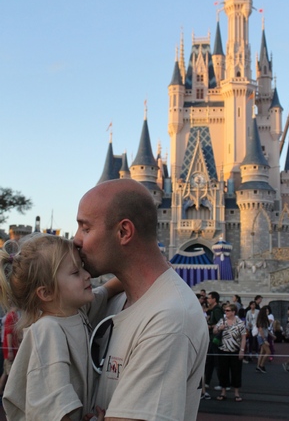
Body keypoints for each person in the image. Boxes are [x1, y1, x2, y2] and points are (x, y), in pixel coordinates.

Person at [74, 179, 209, 421]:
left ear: (124, 232)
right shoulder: (118, 300)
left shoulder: (170, 319)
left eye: (85, 228)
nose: (76, 240)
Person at [0, 234, 122, 421]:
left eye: (82, 268)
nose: (87, 275)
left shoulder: (76, 311)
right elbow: (53, 409)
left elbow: (108, 289)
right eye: (75, 272)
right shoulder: (48, 331)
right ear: (46, 292)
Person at [213, 304, 246, 401]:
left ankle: (236, 393)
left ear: (233, 312)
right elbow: (214, 331)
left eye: (227, 310)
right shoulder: (222, 321)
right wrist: (220, 328)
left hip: (235, 350)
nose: (226, 312)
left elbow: (243, 337)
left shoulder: (240, 323)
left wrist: (242, 350)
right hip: (223, 350)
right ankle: (223, 392)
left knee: (236, 371)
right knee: (223, 371)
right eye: (225, 310)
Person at [204, 291, 224, 391]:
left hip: (215, 338)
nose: (207, 300)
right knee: (210, 361)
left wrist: (210, 326)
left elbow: (220, 323)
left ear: (214, 299)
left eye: (209, 298)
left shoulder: (217, 310)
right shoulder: (212, 310)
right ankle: (207, 381)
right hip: (211, 338)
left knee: (216, 361)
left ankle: (222, 383)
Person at [0, 306, 19, 398]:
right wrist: (10, 350)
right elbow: (9, 333)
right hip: (9, 348)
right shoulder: (11, 316)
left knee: (5, 371)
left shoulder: (12, 316)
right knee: (10, 373)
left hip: (10, 348)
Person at [256, 306, 271, 373]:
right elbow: (261, 330)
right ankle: (261, 365)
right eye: (266, 311)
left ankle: (258, 366)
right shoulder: (262, 320)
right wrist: (264, 339)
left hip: (264, 336)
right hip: (262, 337)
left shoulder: (264, 319)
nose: (268, 312)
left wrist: (272, 335)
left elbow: (266, 330)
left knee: (262, 352)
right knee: (268, 352)